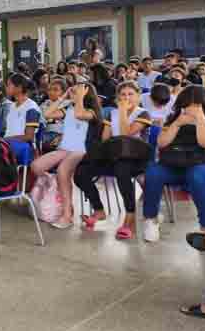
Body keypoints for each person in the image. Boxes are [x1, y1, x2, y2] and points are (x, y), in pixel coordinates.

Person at [142, 85, 205, 244]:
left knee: (197, 174)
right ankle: (151, 219)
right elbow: (161, 143)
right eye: (187, 104)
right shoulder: (174, 117)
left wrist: (200, 119)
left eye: (196, 104)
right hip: (177, 165)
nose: (190, 108)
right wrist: (177, 123)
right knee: (153, 171)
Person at [75, 81, 152, 240]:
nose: (126, 97)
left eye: (130, 94)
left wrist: (123, 112)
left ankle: (129, 219)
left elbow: (125, 134)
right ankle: (99, 210)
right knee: (81, 173)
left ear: (138, 96)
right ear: (117, 97)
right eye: (123, 95)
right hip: (115, 155)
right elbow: (105, 139)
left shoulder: (143, 113)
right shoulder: (112, 114)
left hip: (136, 159)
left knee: (122, 170)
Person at [31, 81, 102, 229]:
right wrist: (63, 97)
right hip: (65, 149)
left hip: (82, 150)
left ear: (85, 94)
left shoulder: (92, 112)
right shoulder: (68, 108)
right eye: (73, 91)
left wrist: (80, 98)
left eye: (76, 91)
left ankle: (67, 215)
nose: (73, 94)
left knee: (62, 171)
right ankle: (57, 184)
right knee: (36, 166)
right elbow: (47, 113)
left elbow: (80, 114)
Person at [3, 73, 41, 164]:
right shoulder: (12, 106)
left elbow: (29, 136)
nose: (6, 87)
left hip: (25, 146)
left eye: (9, 85)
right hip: (9, 142)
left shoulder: (31, 108)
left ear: (19, 88)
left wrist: (6, 140)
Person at [40, 78, 66, 153]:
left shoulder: (65, 105)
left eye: (55, 90)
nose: (51, 92)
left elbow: (46, 115)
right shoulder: (44, 104)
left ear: (63, 92)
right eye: (49, 89)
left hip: (57, 134)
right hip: (43, 132)